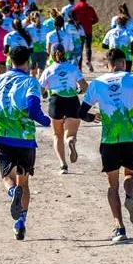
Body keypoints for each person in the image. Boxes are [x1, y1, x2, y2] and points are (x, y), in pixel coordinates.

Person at [77, 49, 133, 243]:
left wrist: (91, 117)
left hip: (110, 139)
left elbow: (81, 111)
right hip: (131, 136)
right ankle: (129, 196)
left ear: (108, 64)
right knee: (130, 174)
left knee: (112, 184)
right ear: (124, 63)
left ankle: (119, 228)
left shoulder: (97, 83)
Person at [0, 46, 52, 240]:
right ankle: (20, 222)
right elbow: (33, 109)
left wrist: (1, 111)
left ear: (10, 60)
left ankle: (12, 193)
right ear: (28, 62)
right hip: (26, 140)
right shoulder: (31, 82)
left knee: (7, 177)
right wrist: (46, 121)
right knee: (24, 181)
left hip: (3, 137)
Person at [39, 43, 89, 174]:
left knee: (57, 135)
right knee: (70, 135)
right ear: (64, 53)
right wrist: (78, 91)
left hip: (56, 102)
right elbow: (85, 87)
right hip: (72, 101)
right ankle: (71, 142)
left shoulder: (49, 70)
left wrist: (44, 93)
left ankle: (63, 165)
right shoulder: (73, 68)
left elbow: (40, 88)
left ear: (51, 54)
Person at [70, 0, 99, 72]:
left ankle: (79, 67)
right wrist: (90, 23)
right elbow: (96, 19)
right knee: (88, 47)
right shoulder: (90, 8)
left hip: (79, 31)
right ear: (85, 0)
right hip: (88, 30)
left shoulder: (76, 8)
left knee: (80, 49)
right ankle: (88, 60)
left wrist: (76, 23)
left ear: (79, 0)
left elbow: (71, 17)